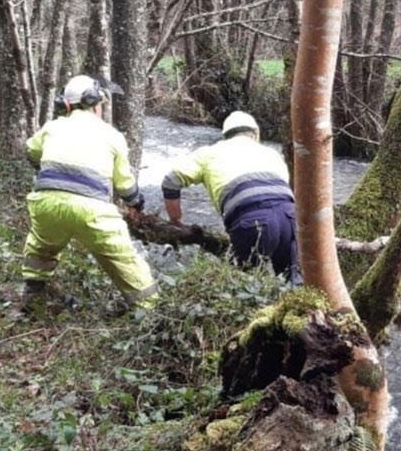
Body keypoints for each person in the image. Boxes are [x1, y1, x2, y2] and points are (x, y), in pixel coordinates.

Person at [21, 75, 158, 314]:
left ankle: (33, 296)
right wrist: (136, 203)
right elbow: (124, 183)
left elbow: (31, 151)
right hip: (93, 210)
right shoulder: (112, 135)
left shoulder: (53, 127)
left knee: (41, 247)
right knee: (124, 259)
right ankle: (151, 310)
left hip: (46, 203)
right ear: (95, 103)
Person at [162, 111, 301, 284]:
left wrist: (176, 220)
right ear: (255, 133)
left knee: (247, 284)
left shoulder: (208, 153)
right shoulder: (271, 153)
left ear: (225, 135)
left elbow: (170, 181)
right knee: (293, 281)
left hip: (251, 220)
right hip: (290, 216)